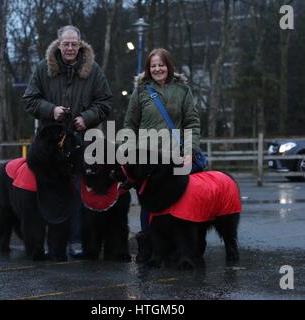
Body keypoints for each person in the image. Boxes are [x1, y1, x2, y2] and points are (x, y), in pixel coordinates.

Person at [23, 25, 113, 258]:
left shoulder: (94, 70)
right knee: (45, 190)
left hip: (80, 143)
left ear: (80, 44)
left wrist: (87, 117)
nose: (70, 48)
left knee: (77, 190)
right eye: (66, 43)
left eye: (74, 44)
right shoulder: (43, 69)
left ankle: (75, 240)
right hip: (48, 144)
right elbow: (30, 100)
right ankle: (45, 241)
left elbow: (105, 103)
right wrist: (51, 110)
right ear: (58, 44)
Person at [123, 48, 201, 263]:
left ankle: (180, 246)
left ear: (169, 66)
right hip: (146, 160)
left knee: (179, 201)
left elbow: (192, 123)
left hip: (175, 156)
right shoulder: (141, 92)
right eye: (153, 65)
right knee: (149, 203)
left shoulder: (183, 91)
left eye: (161, 64)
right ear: (148, 69)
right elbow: (130, 124)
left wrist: (189, 151)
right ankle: (149, 246)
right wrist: (128, 151)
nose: (157, 69)